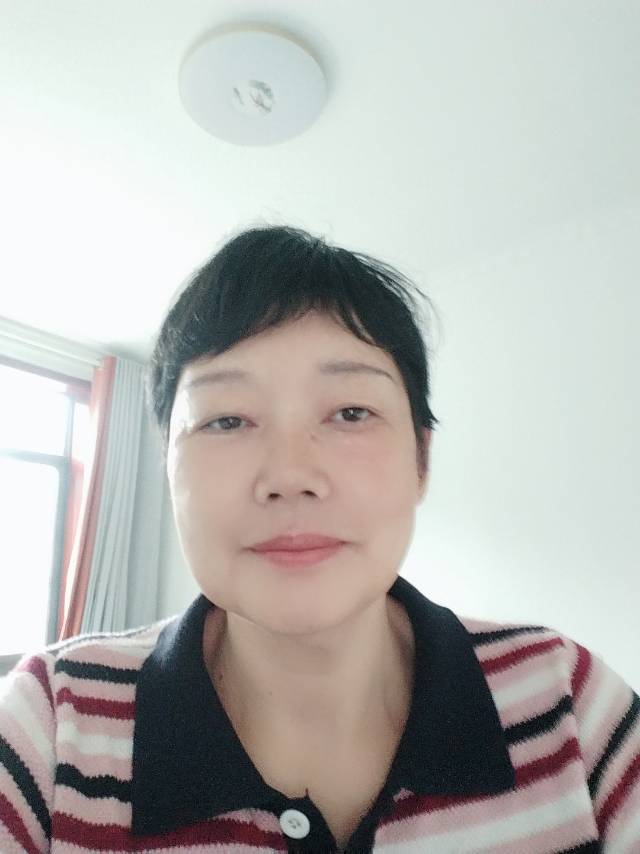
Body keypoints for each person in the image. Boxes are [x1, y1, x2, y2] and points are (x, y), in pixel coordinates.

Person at [1, 224, 638, 853]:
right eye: (227, 420)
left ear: (421, 459)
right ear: (167, 466)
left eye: (351, 413)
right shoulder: (52, 725)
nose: (289, 476)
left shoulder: (566, 703)